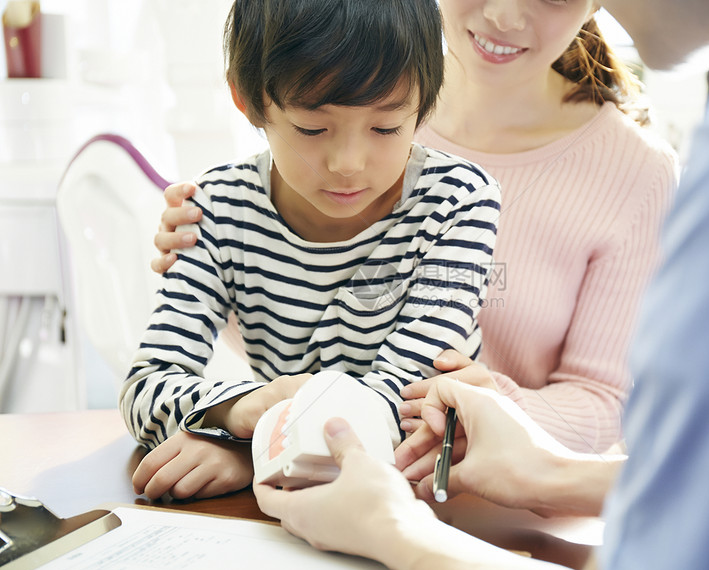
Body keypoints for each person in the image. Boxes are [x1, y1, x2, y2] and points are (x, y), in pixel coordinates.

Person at [254, 0, 709, 570]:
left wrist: (402, 532)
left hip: (483, 524)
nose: (506, 14)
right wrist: (221, 242)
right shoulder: (353, 120)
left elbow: (695, 512)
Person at [153, 0, 679, 454]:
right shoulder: (354, 91)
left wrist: (485, 407)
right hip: (315, 469)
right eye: (314, 127)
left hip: (490, 498)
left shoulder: (636, 171)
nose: (502, 15)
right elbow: (290, 333)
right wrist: (204, 254)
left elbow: (604, 401)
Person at [121, 0, 502, 501]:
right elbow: (145, 387)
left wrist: (255, 443)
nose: (347, 163)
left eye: (385, 128)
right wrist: (244, 410)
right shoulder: (214, 208)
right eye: (311, 129)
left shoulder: (457, 201)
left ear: (426, 102)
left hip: (428, 498)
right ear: (248, 99)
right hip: (298, 507)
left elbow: (404, 405)